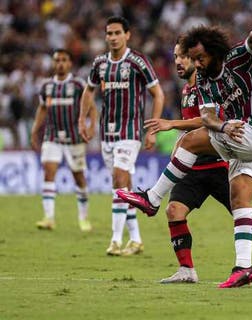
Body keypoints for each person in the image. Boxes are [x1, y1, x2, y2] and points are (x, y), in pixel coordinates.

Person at [117, 16, 252, 288]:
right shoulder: (204, 81)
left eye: (199, 57)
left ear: (213, 50)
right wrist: (224, 125)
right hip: (249, 143)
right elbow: (208, 119)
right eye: (192, 58)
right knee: (240, 199)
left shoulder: (237, 58)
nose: (197, 64)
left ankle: (153, 197)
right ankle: (244, 267)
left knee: (189, 142)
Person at [142, 39, 252, 284]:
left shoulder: (212, 84)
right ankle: (186, 270)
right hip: (195, 166)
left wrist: (174, 126)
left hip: (220, 162)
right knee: (174, 210)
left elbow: (210, 121)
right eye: (176, 57)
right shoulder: (187, 90)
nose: (178, 61)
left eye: (183, 56)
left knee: (243, 214)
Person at [79, 16, 165, 256]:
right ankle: (136, 239)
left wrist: (153, 129)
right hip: (107, 133)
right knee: (122, 187)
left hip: (131, 131)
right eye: (109, 33)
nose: (113, 37)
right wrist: (82, 119)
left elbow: (158, 94)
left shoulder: (137, 61)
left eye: (117, 33)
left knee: (118, 180)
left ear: (127, 34)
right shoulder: (99, 64)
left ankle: (115, 240)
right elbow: (88, 90)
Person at [31, 48, 94, 232]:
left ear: (69, 63)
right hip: (52, 136)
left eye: (63, 60)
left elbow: (91, 107)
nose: (60, 63)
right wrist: (35, 130)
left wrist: (91, 126)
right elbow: (42, 109)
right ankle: (48, 218)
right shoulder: (46, 86)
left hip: (74, 138)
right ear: (53, 63)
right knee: (48, 173)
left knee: (79, 178)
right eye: (57, 60)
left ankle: (84, 218)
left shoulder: (78, 85)